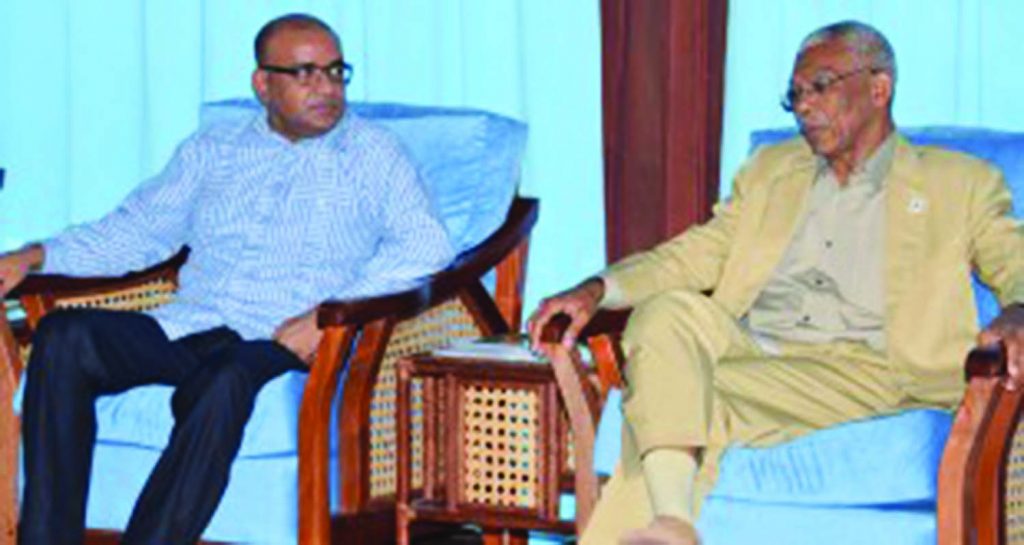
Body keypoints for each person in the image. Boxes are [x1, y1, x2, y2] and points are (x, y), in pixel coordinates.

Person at [528, 20, 1024, 545]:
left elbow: (1014, 259)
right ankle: (672, 525)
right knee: (666, 314)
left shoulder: (959, 182)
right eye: (795, 95)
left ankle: (661, 524)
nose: (805, 105)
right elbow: (696, 254)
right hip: (755, 350)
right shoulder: (771, 169)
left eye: (821, 86)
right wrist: (597, 290)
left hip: (871, 368)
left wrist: (1018, 310)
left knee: (660, 405)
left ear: (880, 89)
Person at [0, 13, 453, 545]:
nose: (327, 88)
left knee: (226, 379)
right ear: (263, 83)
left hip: (283, 338)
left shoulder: (375, 155)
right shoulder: (212, 150)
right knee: (64, 335)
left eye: (335, 71)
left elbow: (427, 246)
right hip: (193, 323)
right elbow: (138, 231)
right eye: (306, 73)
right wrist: (36, 255)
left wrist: (325, 314)